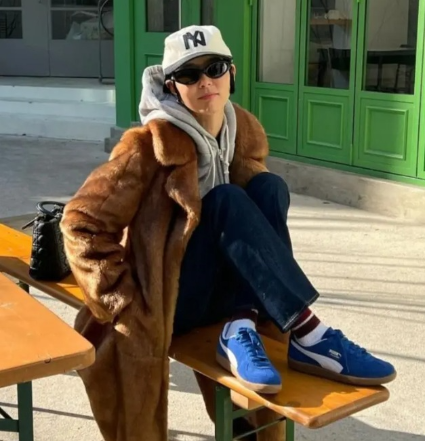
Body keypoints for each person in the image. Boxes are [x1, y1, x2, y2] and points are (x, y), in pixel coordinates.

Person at [61, 25, 395, 440]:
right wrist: (122, 299)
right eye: (189, 75)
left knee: (268, 188)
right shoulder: (148, 146)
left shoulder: (243, 131)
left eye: (214, 68)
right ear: (173, 86)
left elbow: (256, 222)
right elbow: (81, 222)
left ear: (231, 73)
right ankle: (309, 332)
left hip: (223, 293)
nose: (205, 82)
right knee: (225, 201)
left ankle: (241, 323)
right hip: (171, 302)